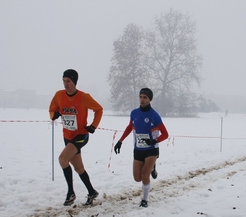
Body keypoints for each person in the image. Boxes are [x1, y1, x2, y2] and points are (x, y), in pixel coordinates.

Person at [49, 69, 103, 206]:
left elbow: (99, 109)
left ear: (74, 82)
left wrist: (93, 126)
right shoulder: (59, 95)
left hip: (81, 135)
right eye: (64, 81)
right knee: (78, 168)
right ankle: (91, 192)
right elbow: (52, 109)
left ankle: (71, 193)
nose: (65, 84)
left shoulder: (83, 97)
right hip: (67, 136)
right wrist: (54, 115)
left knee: (62, 159)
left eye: (68, 81)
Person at [113, 88, 169, 208]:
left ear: (149, 99)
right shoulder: (134, 113)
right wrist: (120, 141)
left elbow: (165, 134)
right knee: (137, 178)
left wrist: (154, 140)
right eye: (140, 97)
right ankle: (152, 167)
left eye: (145, 97)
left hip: (151, 149)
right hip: (138, 149)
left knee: (144, 175)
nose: (142, 100)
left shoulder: (154, 115)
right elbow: (129, 127)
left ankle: (145, 199)